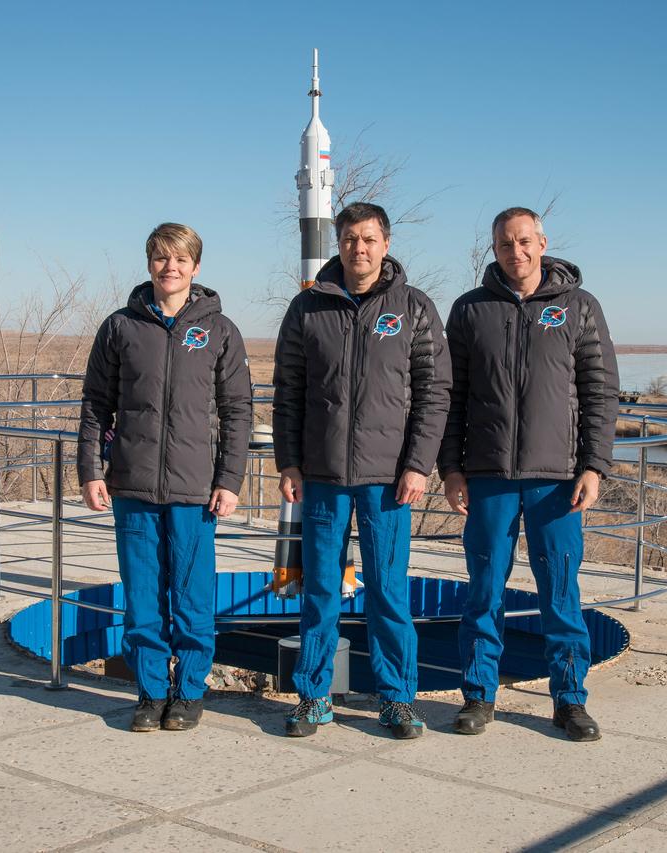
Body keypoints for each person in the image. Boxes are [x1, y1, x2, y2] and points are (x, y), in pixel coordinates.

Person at [273, 201, 451, 739]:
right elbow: (289, 394)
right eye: (350, 238)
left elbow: (433, 393)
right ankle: (313, 695)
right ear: (340, 243)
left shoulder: (414, 308)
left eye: (370, 239)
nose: (359, 248)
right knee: (321, 590)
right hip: (324, 478)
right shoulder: (308, 308)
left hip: (388, 481)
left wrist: (419, 465)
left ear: (386, 244)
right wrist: (290, 461)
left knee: (388, 593)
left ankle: (396, 698)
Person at [439, 206, 618, 741]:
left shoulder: (579, 307)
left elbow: (600, 392)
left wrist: (594, 465)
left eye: (523, 242)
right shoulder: (471, 310)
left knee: (560, 591)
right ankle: (478, 695)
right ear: (492, 249)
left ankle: (569, 699)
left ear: (541, 242)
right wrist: (451, 467)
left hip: (556, 477)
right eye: (503, 244)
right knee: (484, 591)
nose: (514, 252)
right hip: (488, 474)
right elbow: (452, 397)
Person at [77, 222, 252, 733]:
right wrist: (91, 470)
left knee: (193, 595)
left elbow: (237, 411)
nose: (170, 267)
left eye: (180, 259)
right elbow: (96, 406)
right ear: (149, 263)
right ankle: (151, 692)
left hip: (195, 491)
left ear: (195, 267)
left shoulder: (220, 331)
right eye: (160, 258)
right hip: (132, 485)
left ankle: (189, 691)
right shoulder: (119, 328)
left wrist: (230, 480)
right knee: (142, 597)